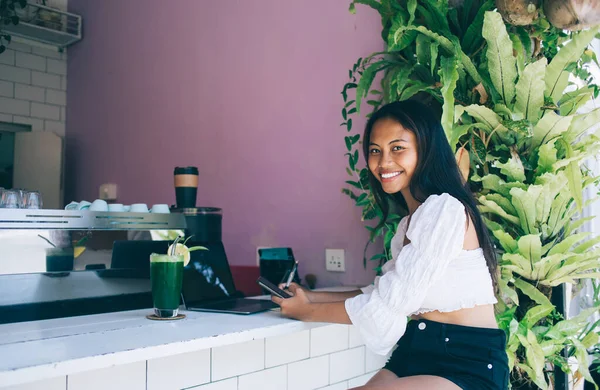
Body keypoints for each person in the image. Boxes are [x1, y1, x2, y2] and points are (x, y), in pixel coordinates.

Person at [271, 100, 509, 390]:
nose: (383, 162)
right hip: (419, 349)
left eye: (397, 148)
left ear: (426, 150)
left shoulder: (444, 210)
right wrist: (311, 297)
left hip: (466, 361)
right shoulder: (408, 225)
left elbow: (388, 305)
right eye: (375, 151)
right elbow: (382, 291)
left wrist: (306, 311)